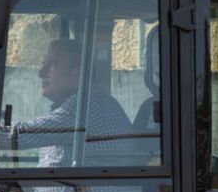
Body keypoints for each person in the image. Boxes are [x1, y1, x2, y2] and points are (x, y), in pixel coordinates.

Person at [9, 37, 133, 169]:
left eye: (52, 65)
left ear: (77, 74)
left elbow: (20, 136)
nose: (41, 73)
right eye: (43, 64)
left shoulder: (86, 105)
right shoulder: (86, 102)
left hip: (88, 190)